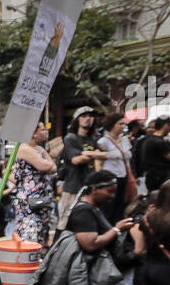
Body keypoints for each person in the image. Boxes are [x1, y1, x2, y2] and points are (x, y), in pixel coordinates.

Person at [67, 169, 135, 260]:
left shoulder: (94, 208)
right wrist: (117, 229)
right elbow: (90, 244)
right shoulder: (83, 212)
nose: (113, 196)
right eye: (109, 191)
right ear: (94, 189)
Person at [58, 107, 108, 229]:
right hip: (73, 188)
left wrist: (87, 154)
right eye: (84, 116)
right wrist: (94, 154)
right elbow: (76, 160)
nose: (88, 119)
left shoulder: (94, 139)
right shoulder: (71, 138)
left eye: (90, 116)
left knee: (86, 223)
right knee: (65, 222)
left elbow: (105, 155)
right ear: (77, 119)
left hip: (89, 189)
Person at [13, 120, 60, 249]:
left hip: (43, 199)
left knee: (42, 235)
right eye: (42, 129)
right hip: (29, 201)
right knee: (30, 236)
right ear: (33, 133)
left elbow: (53, 167)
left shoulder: (39, 149)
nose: (46, 131)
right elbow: (44, 165)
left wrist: (48, 163)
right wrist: (48, 162)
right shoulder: (24, 148)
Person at [97, 113, 135, 221]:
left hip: (124, 176)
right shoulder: (103, 141)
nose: (123, 126)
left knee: (121, 206)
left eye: (124, 123)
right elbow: (98, 163)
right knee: (109, 207)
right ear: (113, 125)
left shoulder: (125, 140)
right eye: (120, 124)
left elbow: (127, 158)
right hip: (110, 177)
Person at [137, 116, 170, 192]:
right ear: (166, 126)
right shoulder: (158, 141)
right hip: (158, 177)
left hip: (153, 175)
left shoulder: (149, 140)